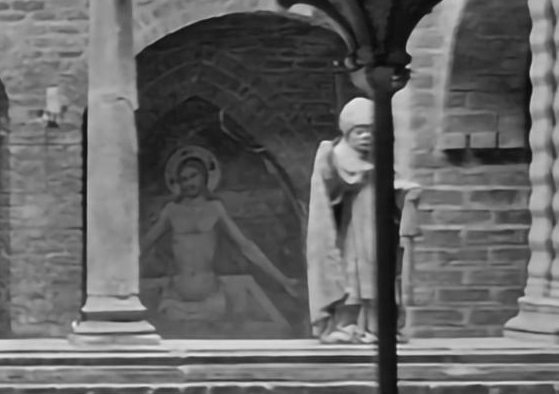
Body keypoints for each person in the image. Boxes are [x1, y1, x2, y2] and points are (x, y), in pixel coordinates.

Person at [144, 146, 293, 338]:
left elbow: (246, 246)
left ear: (204, 177)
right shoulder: (171, 211)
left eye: (193, 176)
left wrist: (283, 280)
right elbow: (144, 244)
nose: (189, 183)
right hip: (177, 299)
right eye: (184, 179)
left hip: (211, 299)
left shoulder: (215, 208)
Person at [307, 96, 395, 339]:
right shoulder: (335, 156)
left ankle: (374, 325)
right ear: (347, 133)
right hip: (349, 228)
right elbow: (328, 192)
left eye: (371, 131)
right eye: (360, 132)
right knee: (350, 274)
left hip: (373, 228)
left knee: (373, 272)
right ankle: (345, 324)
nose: (366, 137)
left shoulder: (379, 159)